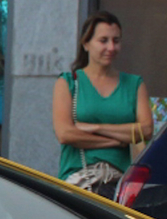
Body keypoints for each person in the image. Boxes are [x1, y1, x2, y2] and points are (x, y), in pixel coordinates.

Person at [51, 11, 152, 196]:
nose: (111, 47)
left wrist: (95, 127)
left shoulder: (134, 84)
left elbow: (146, 130)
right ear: (86, 43)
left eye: (116, 40)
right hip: (78, 182)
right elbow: (65, 134)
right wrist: (116, 140)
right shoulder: (68, 82)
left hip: (121, 185)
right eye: (103, 40)